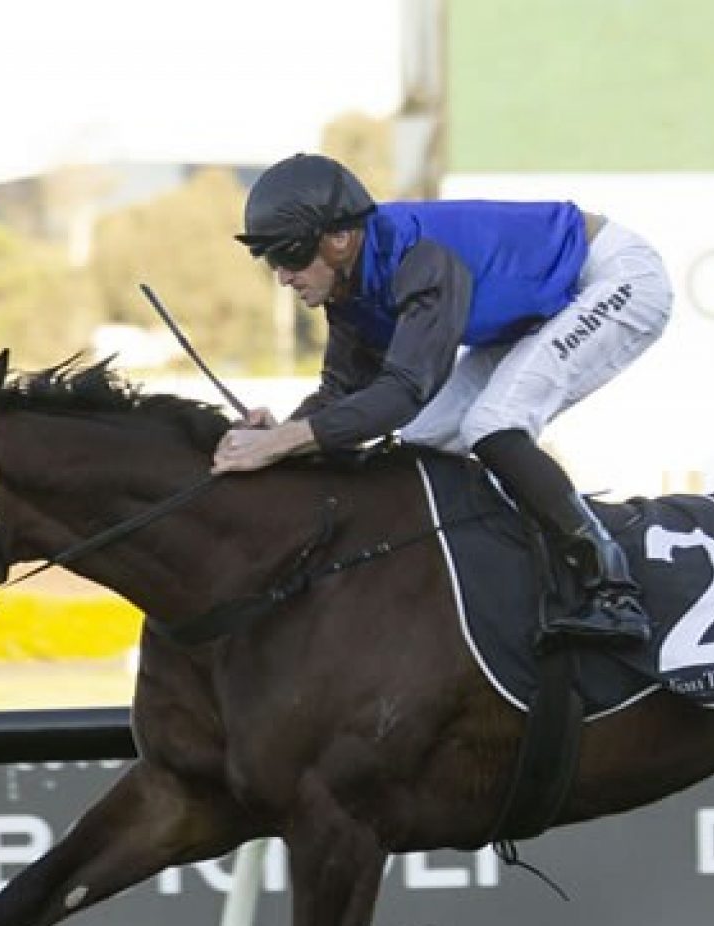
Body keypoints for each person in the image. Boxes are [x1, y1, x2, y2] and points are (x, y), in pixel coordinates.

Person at [213, 153, 674, 645]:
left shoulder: (420, 257)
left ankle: (612, 588)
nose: (282, 277)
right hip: (535, 310)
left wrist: (287, 441)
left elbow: (405, 391)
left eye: (289, 256)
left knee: (493, 424)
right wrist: (278, 435)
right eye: (272, 261)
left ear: (340, 239)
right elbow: (340, 393)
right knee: (420, 441)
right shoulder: (349, 284)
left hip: (611, 278)